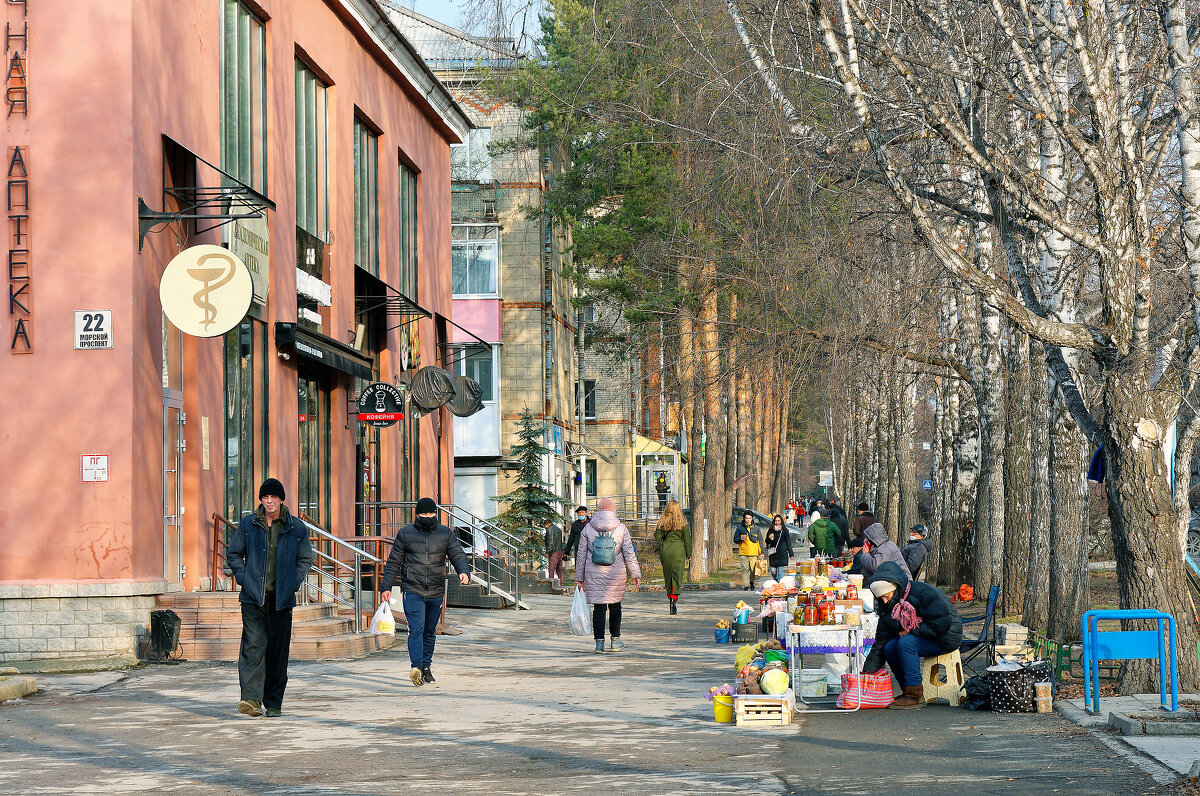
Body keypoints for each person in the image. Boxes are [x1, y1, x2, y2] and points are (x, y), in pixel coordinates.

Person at [226, 477, 314, 718]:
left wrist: (294, 582)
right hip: (254, 599)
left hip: (282, 600)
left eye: (273, 497)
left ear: (281, 499)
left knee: (277, 652)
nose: (269, 501)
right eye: (265, 497)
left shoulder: (295, 527)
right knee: (252, 647)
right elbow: (233, 554)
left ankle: (273, 702)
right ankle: (251, 699)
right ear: (261, 500)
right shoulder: (248, 525)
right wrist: (245, 579)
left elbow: (305, 558)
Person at [380, 497, 472, 688]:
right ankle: (417, 668)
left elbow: (457, 553)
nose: (428, 517)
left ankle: (427, 667)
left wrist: (463, 571)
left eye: (431, 514)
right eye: (424, 514)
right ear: (417, 515)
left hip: (436, 590)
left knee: (429, 632)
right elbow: (394, 562)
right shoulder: (405, 534)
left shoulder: (445, 533)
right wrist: (386, 587)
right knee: (417, 629)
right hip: (412, 589)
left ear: (436, 514)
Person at [862, 561, 963, 709]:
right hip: (926, 634)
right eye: (881, 597)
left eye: (886, 595)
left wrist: (911, 630)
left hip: (946, 636)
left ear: (895, 587)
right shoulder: (887, 605)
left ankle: (915, 696)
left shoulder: (922, 593)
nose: (885, 600)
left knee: (906, 643)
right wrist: (868, 672)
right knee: (889, 647)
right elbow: (882, 640)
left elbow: (942, 625)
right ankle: (907, 690)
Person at [576, 497, 641, 652]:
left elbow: (581, 554)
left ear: (599, 509)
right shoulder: (621, 528)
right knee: (615, 606)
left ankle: (599, 644)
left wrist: (580, 578)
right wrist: (635, 574)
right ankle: (615, 641)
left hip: (594, 573)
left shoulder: (588, 528)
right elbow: (629, 553)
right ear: (613, 510)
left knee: (599, 608)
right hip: (615, 573)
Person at [654, 499, 691, 614]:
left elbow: (657, 537)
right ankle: (674, 599)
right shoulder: (683, 523)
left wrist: (660, 526)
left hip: (666, 550)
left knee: (668, 574)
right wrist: (688, 554)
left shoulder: (663, 523)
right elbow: (687, 540)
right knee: (677, 575)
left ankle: (669, 596)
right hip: (678, 550)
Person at [733, 512, 762, 591]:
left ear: (752, 518)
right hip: (743, 553)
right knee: (745, 569)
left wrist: (761, 552)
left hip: (753, 553)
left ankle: (752, 582)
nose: (748, 520)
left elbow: (760, 540)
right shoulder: (740, 528)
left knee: (753, 570)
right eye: (746, 518)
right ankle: (746, 585)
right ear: (744, 519)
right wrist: (740, 539)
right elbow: (735, 539)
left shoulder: (756, 528)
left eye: (749, 518)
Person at [763, 514, 793, 582]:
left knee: (780, 568)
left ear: (781, 521)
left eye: (778, 521)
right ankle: (776, 579)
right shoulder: (771, 530)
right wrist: (769, 538)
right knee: (773, 570)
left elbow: (788, 542)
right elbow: (767, 541)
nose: (777, 522)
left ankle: (779, 584)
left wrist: (791, 553)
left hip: (782, 552)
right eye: (776, 521)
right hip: (773, 552)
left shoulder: (785, 530)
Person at [544, 517, 565, 586]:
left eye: (545, 526)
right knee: (559, 569)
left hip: (553, 552)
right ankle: (561, 583)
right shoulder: (558, 529)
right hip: (560, 550)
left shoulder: (550, 529)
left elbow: (551, 542)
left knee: (551, 569)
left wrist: (547, 552)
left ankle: (551, 584)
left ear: (547, 524)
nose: (545, 528)